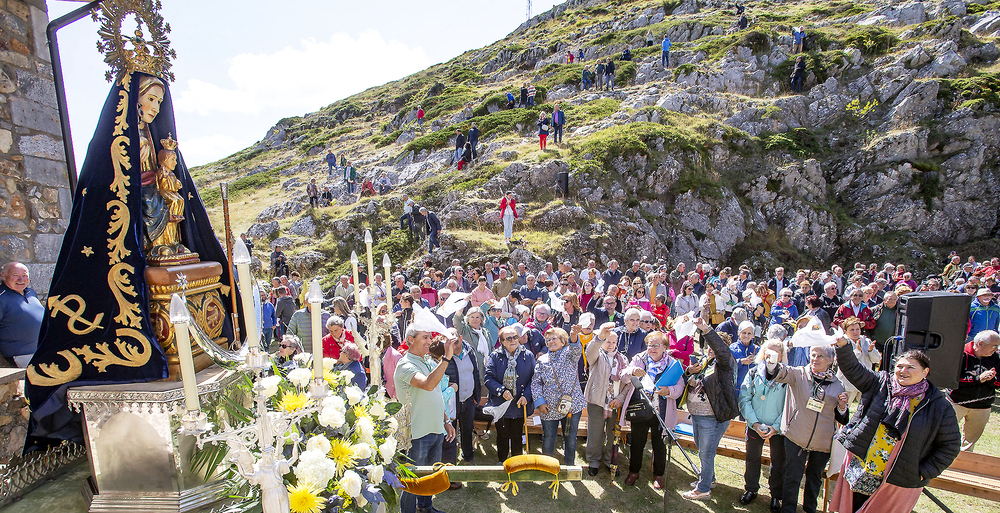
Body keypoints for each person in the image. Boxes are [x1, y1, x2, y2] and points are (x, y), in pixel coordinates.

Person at [829, 341, 961, 512]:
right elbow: (853, 370)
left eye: (910, 367)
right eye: (899, 366)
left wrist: (923, 472)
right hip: (862, 468)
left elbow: (950, 445)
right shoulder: (881, 383)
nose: (903, 371)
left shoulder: (939, 406)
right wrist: (843, 346)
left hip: (900, 478)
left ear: (925, 371)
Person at [764, 344, 848, 513]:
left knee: (814, 478)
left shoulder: (838, 385)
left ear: (831, 360)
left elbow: (842, 418)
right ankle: (788, 509)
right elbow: (778, 373)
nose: (815, 359)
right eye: (813, 355)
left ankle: (810, 509)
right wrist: (772, 363)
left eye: (820, 356)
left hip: (822, 441)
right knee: (792, 476)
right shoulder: (799, 374)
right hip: (796, 436)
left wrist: (843, 406)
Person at [394, 326, 457, 513]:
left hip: (436, 428)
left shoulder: (428, 361)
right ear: (410, 339)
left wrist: (446, 421)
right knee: (412, 480)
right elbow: (428, 385)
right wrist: (446, 358)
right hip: (417, 431)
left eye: (430, 337)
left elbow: (436, 392)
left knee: (429, 476)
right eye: (425, 337)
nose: (429, 342)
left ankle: (425, 508)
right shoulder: (405, 365)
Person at [682, 318, 740, 501]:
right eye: (708, 346)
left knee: (706, 453)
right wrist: (689, 371)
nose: (710, 349)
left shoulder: (725, 364)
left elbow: (721, 351)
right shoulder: (705, 362)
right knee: (702, 450)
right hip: (698, 415)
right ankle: (710, 478)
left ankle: (703, 488)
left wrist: (706, 329)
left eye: (714, 346)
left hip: (712, 417)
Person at [622, 329, 685, 488]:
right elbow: (624, 375)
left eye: (657, 345)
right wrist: (632, 371)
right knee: (637, 443)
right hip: (641, 409)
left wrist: (668, 391)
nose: (652, 348)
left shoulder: (672, 364)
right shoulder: (639, 358)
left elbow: (680, 386)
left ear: (665, 346)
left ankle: (658, 475)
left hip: (661, 412)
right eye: (650, 345)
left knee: (659, 445)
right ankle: (634, 472)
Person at [739, 339, 788, 509]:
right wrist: (755, 423)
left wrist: (776, 426)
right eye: (768, 352)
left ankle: (776, 495)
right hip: (756, 425)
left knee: (778, 462)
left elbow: (790, 405)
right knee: (752, 458)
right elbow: (745, 399)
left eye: (775, 353)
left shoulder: (788, 376)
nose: (771, 356)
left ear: (781, 355)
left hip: (778, 429)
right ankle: (751, 489)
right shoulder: (753, 372)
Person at [531, 327, 585, 466]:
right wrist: (540, 402)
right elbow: (536, 383)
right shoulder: (542, 360)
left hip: (572, 406)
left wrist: (573, 335)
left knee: (570, 437)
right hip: (548, 407)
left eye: (554, 338)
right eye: (548, 340)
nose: (550, 342)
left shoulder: (569, 353)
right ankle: (547, 467)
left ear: (562, 340)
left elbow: (575, 348)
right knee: (548, 438)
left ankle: (569, 466)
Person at [583, 322, 629, 476]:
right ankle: (593, 461)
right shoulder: (596, 355)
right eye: (608, 341)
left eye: (614, 342)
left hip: (615, 403)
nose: (610, 345)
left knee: (612, 434)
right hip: (597, 401)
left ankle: (610, 461)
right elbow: (590, 351)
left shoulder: (623, 359)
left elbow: (628, 384)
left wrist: (620, 399)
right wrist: (600, 337)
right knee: (595, 432)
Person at [485, 325, 536, 463]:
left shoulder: (528, 355)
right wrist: (501, 391)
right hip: (501, 403)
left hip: (520, 403)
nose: (513, 340)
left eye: (515, 337)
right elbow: (488, 378)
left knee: (517, 435)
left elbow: (534, 379)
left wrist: (526, 395)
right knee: (502, 435)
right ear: (502, 341)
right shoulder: (495, 356)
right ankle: (502, 461)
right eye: (509, 338)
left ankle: (516, 463)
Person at [948, 330, 999, 452]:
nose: (996, 349)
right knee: (943, 433)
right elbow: (952, 379)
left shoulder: (996, 358)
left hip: (982, 406)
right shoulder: (960, 354)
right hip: (957, 402)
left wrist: (990, 380)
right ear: (980, 344)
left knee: (969, 443)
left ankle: (964, 467)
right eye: (994, 346)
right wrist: (977, 379)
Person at [444, 327, 482, 465]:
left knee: (467, 430)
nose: (454, 346)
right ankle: (450, 463)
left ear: (460, 338)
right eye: (449, 342)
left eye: (455, 341)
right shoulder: (444, 357)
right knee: (450, 433)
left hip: (468, 399)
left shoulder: (469, 351)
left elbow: (475, 373)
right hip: (452, 402)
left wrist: (476, 395)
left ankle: (469, 457)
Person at [0, 262, 44, 367]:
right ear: (3, 276)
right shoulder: (1, 297)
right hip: (22, 355)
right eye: (16, 275)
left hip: (42, 350)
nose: (21, 280)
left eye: (24, 276)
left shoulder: (30, 293)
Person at [837, 316, 880, 406]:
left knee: (865, 410)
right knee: (843, 408)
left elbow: (876, 360)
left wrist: (871, 351)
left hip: (865, 381)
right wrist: (858, 351)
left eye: (857, 329)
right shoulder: (843, 342)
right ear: (845, 331)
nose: (855, 332)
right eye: (852, 330)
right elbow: (845, 361)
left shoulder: (866, 341)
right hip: (847, 382)